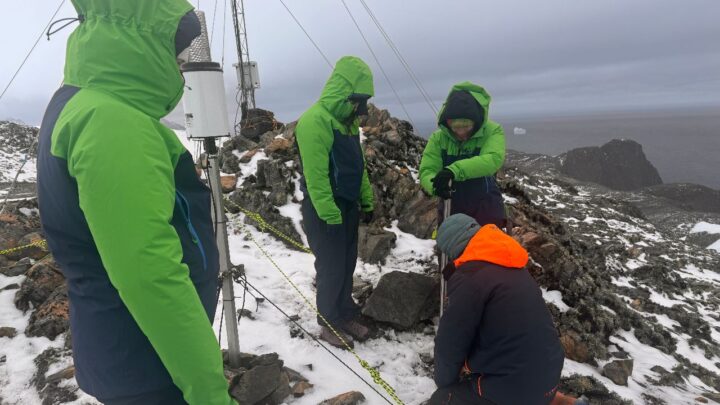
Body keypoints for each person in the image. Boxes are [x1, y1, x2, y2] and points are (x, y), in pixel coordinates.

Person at [36, 1, 235, 404]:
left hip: (130, 352)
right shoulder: (111, 121)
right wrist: (208, 391)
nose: (181, 63)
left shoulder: (82, 103)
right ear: (145, 36)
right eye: (174, 46)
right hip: (151, 367)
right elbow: (150, 275)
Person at [429, 213, 567, 405]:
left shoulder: (471, 276)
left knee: (443, 400)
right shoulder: (514, 266)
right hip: (549, 378)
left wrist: (445, 384)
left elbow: (451, 342)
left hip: (516, 387)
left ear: (453, 247)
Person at [295, 56, 375, 349]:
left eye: (361, 102)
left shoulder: (348, 124)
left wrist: (366, 200)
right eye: (355, 101)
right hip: (325, 208)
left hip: (348, 206)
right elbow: (316, 176)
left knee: (346, 264)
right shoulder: (314, 121)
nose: (358, 108)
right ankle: (328, 322)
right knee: (330, 267)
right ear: (342, 93)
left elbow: (358, 166)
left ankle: (344, 314)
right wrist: (329, 213)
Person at [419, 82, 507, 228]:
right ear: (448, 123)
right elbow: (427, 170)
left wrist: (454, 171)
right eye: (456, 127)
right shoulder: (438, 138)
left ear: (476, 121)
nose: (461, 132)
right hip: (450, 205)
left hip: (485, 205)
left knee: (487, 248)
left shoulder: (492, 131)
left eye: (466, 126)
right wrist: (436, 185)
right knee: (452, 249)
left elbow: (492, 159)